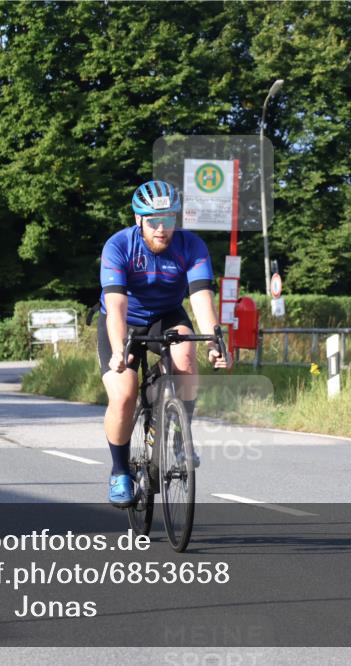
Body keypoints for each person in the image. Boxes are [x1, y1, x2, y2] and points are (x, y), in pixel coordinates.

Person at [98, 180, 229, 508]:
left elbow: (200, 297)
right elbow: (115, 307)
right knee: (124, 394)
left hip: (167, 314)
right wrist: (118, 350)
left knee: (185, 355)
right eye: (153, 221)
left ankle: (178, 438)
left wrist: (214, 339)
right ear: (138, 219)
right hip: (124, 320)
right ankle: (119, 471)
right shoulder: (118, 246)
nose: (161, 229)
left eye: (169, 220)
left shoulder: (191, 246)